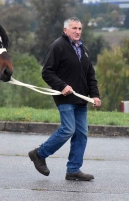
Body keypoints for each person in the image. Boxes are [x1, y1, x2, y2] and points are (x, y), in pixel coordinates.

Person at [28, 17, 101, 181]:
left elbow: (90, 75)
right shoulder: (58, 46)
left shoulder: (84, 49)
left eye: (80, 29)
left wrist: (95, 95)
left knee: (81, 134)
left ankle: (73, 169)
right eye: (74, 28)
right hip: (65, 97)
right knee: (68, 129)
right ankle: (39, 154)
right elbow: (47, 72)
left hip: (81, 100)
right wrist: (62, 86)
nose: (77, 31)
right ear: (65, 30)